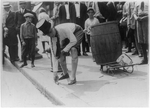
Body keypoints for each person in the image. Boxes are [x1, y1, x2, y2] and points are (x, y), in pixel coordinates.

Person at [36, 19, 84, 85]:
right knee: (59, 54)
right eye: (48, 34)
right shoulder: (52, 38)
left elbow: (73, 41)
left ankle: (73, 77)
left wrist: (65, 50)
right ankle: (65, 73)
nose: (50, 35)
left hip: (76, 31)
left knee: (73, 49)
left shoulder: (63, 29)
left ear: (52, 27)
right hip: (66, 36)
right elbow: (54, 54)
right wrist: (55, 73)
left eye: (50, 32)